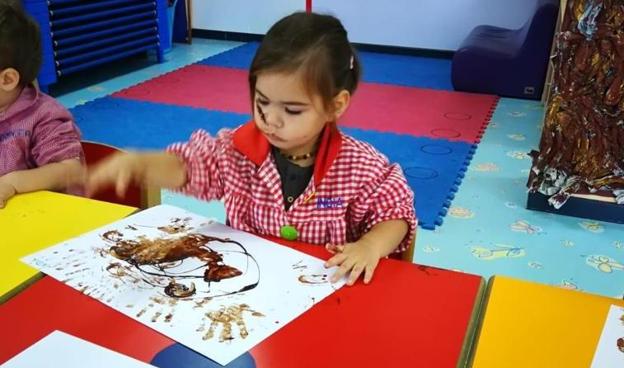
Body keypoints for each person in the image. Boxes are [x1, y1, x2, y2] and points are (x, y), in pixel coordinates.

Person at [87, 12, 416, 285]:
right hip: (248, 287)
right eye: (262, 102)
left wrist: (370, 245)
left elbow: (396, 213)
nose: (271, 120)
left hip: (326, 293)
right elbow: (188, 166)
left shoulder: (358, 166)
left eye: (292, 110)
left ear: (334, 105)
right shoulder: (236, 150)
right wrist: (142, 164)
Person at [0, 1, 83, 208]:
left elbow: (70, 170)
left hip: (53, 221)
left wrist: (13, 182)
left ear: (8, 79)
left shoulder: (44, 116)